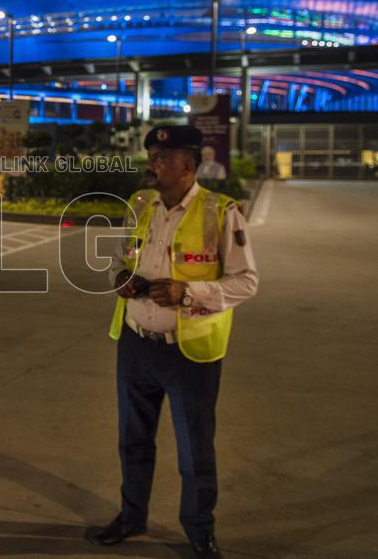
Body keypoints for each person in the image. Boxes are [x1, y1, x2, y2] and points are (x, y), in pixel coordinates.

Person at [86, 125, 258, 558]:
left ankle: (200, 528)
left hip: (189, 351)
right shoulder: (142, 204)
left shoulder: (222, 211)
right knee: (133, 440)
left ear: (187, 164)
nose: (152, 164)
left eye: (161, 158)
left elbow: (247, 282)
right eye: (152, 156)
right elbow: (123, 257)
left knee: (195, 447)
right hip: (135, 342)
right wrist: (120, 278)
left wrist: (189, 292)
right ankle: (132, 515)